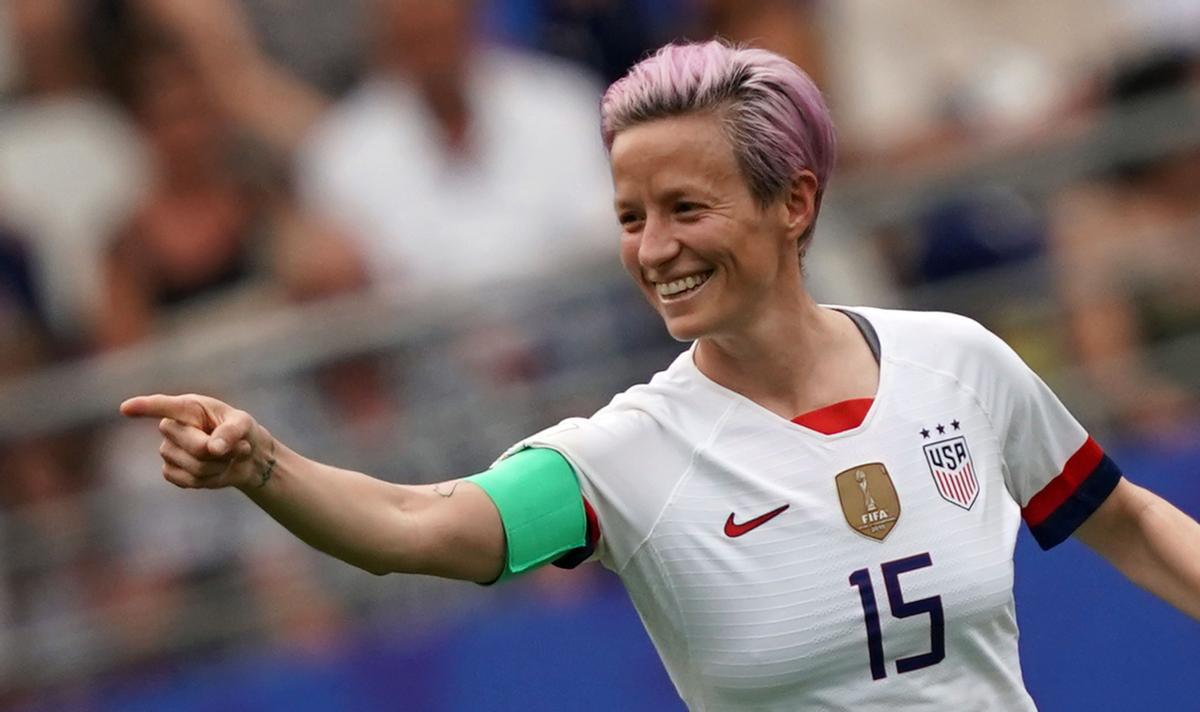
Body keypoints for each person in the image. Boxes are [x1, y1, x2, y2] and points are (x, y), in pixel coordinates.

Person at [121, 40, 1200, 710]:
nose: (653, 248)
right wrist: (263, 463)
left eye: (687, 209)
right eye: (630, 218)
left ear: (795, 202)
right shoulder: (627, 452)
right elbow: (416, 525)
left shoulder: (956, 363)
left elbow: (1130, 522)